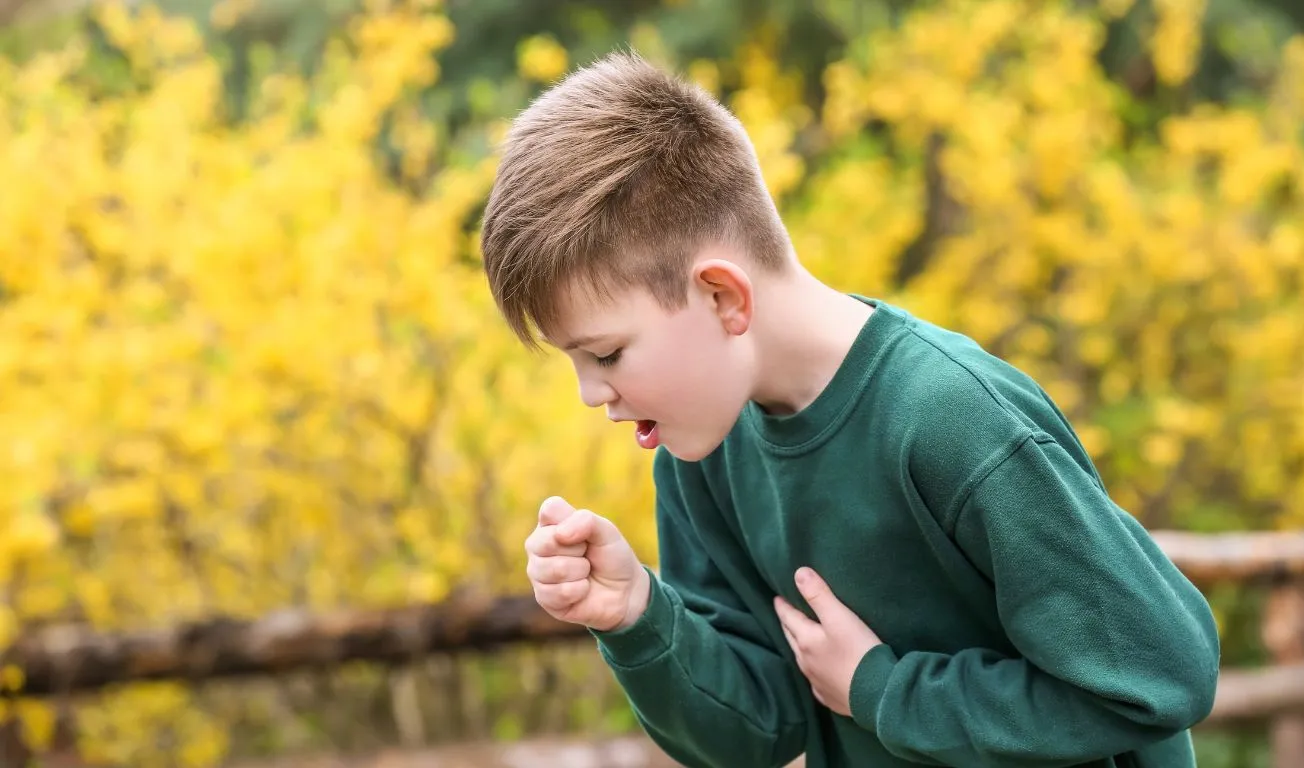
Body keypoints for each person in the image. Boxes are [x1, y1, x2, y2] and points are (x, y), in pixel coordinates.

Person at [479, 50, 1221, 768]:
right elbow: (760, 731)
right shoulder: (698, 453)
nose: (590, 393)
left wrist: (885, 691)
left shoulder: (953, 420)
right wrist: (640, 614)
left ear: (721, 296)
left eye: (605, 354)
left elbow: (1163, 674)